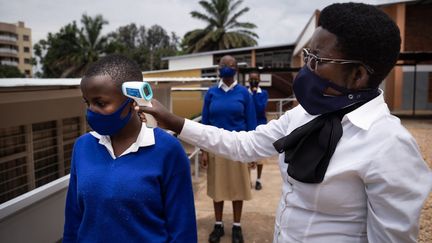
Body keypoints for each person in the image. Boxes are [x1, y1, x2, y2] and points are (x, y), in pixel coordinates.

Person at [137, 3, 432, 242]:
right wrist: (173, 120)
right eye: (307, 55)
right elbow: (244, 144)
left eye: (317, 59)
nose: (306, 68)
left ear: (358, 75)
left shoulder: (389, 146)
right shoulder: (303, 115)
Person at [62, 54, 197, 243]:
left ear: (133, 100)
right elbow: (73, 218)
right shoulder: (83, 147)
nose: (91, 110)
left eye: (100, 103)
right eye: (87, 102)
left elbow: (183, 230)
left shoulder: (167, 150)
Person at [199, 55, 257, 243]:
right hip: (216, 147)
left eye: (230, 65)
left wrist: (253, 152)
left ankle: (237, 226)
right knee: (218, 188)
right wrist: (204, 151)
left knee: (237, 188)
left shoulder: (244, 94)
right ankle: (218, 224)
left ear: (236, 69)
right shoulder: (211, 93)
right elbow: (205, 124)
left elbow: (251, 123)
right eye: (223, 65)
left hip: (238, 147)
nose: (226, 68)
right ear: (218, 69)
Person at [248, 70, 269, 190]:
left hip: (260, 128)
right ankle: (248, 180)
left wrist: (255, 94)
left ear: (259, 80)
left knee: (260, 157)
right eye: (251, 79)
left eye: (255, 79)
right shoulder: (245, 93)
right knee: (247, 155)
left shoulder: (263, 93)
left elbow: (260, 109)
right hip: (247, 129)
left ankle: (258, 180)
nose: (253, 81)